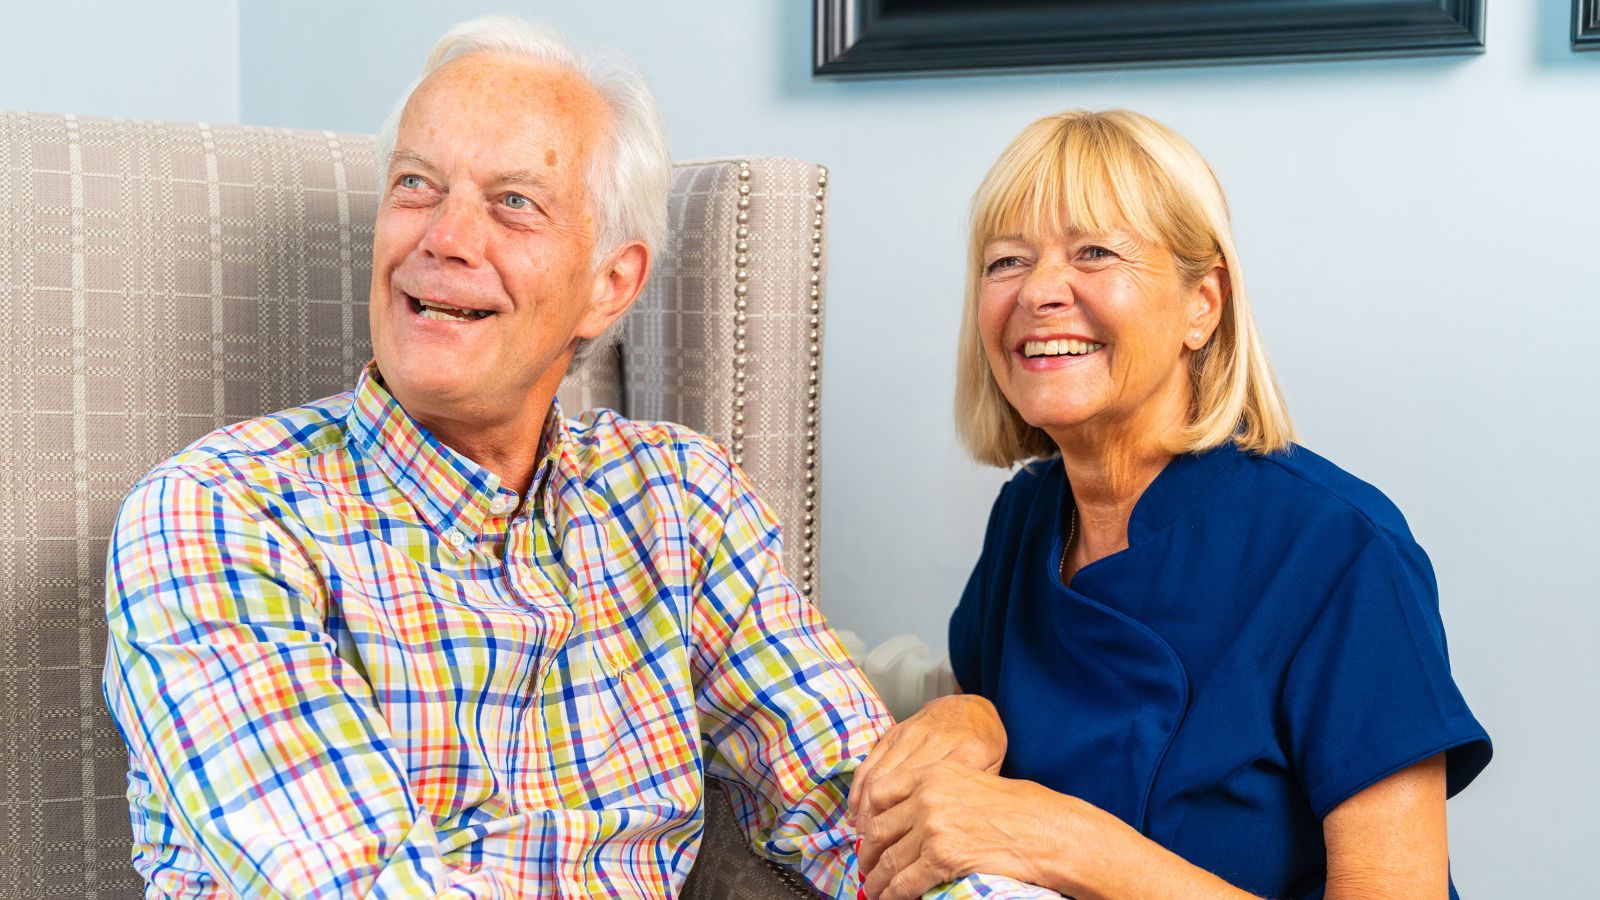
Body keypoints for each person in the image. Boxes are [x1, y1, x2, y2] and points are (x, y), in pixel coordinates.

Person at [100, 16, 1051, 899]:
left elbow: (861, 814)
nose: (442, 238)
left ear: (609, 286)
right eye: (415, 185)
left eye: (513, 204)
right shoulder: (216, 513)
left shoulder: (678, 497)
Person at [849, 110, 1492, 900]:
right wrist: (969, 716)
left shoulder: (1338, 550)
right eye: (1006, 261)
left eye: (1094, 252)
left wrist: (1076, 845)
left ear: (1203, 306)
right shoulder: (1025, 520)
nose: (1040, 291)